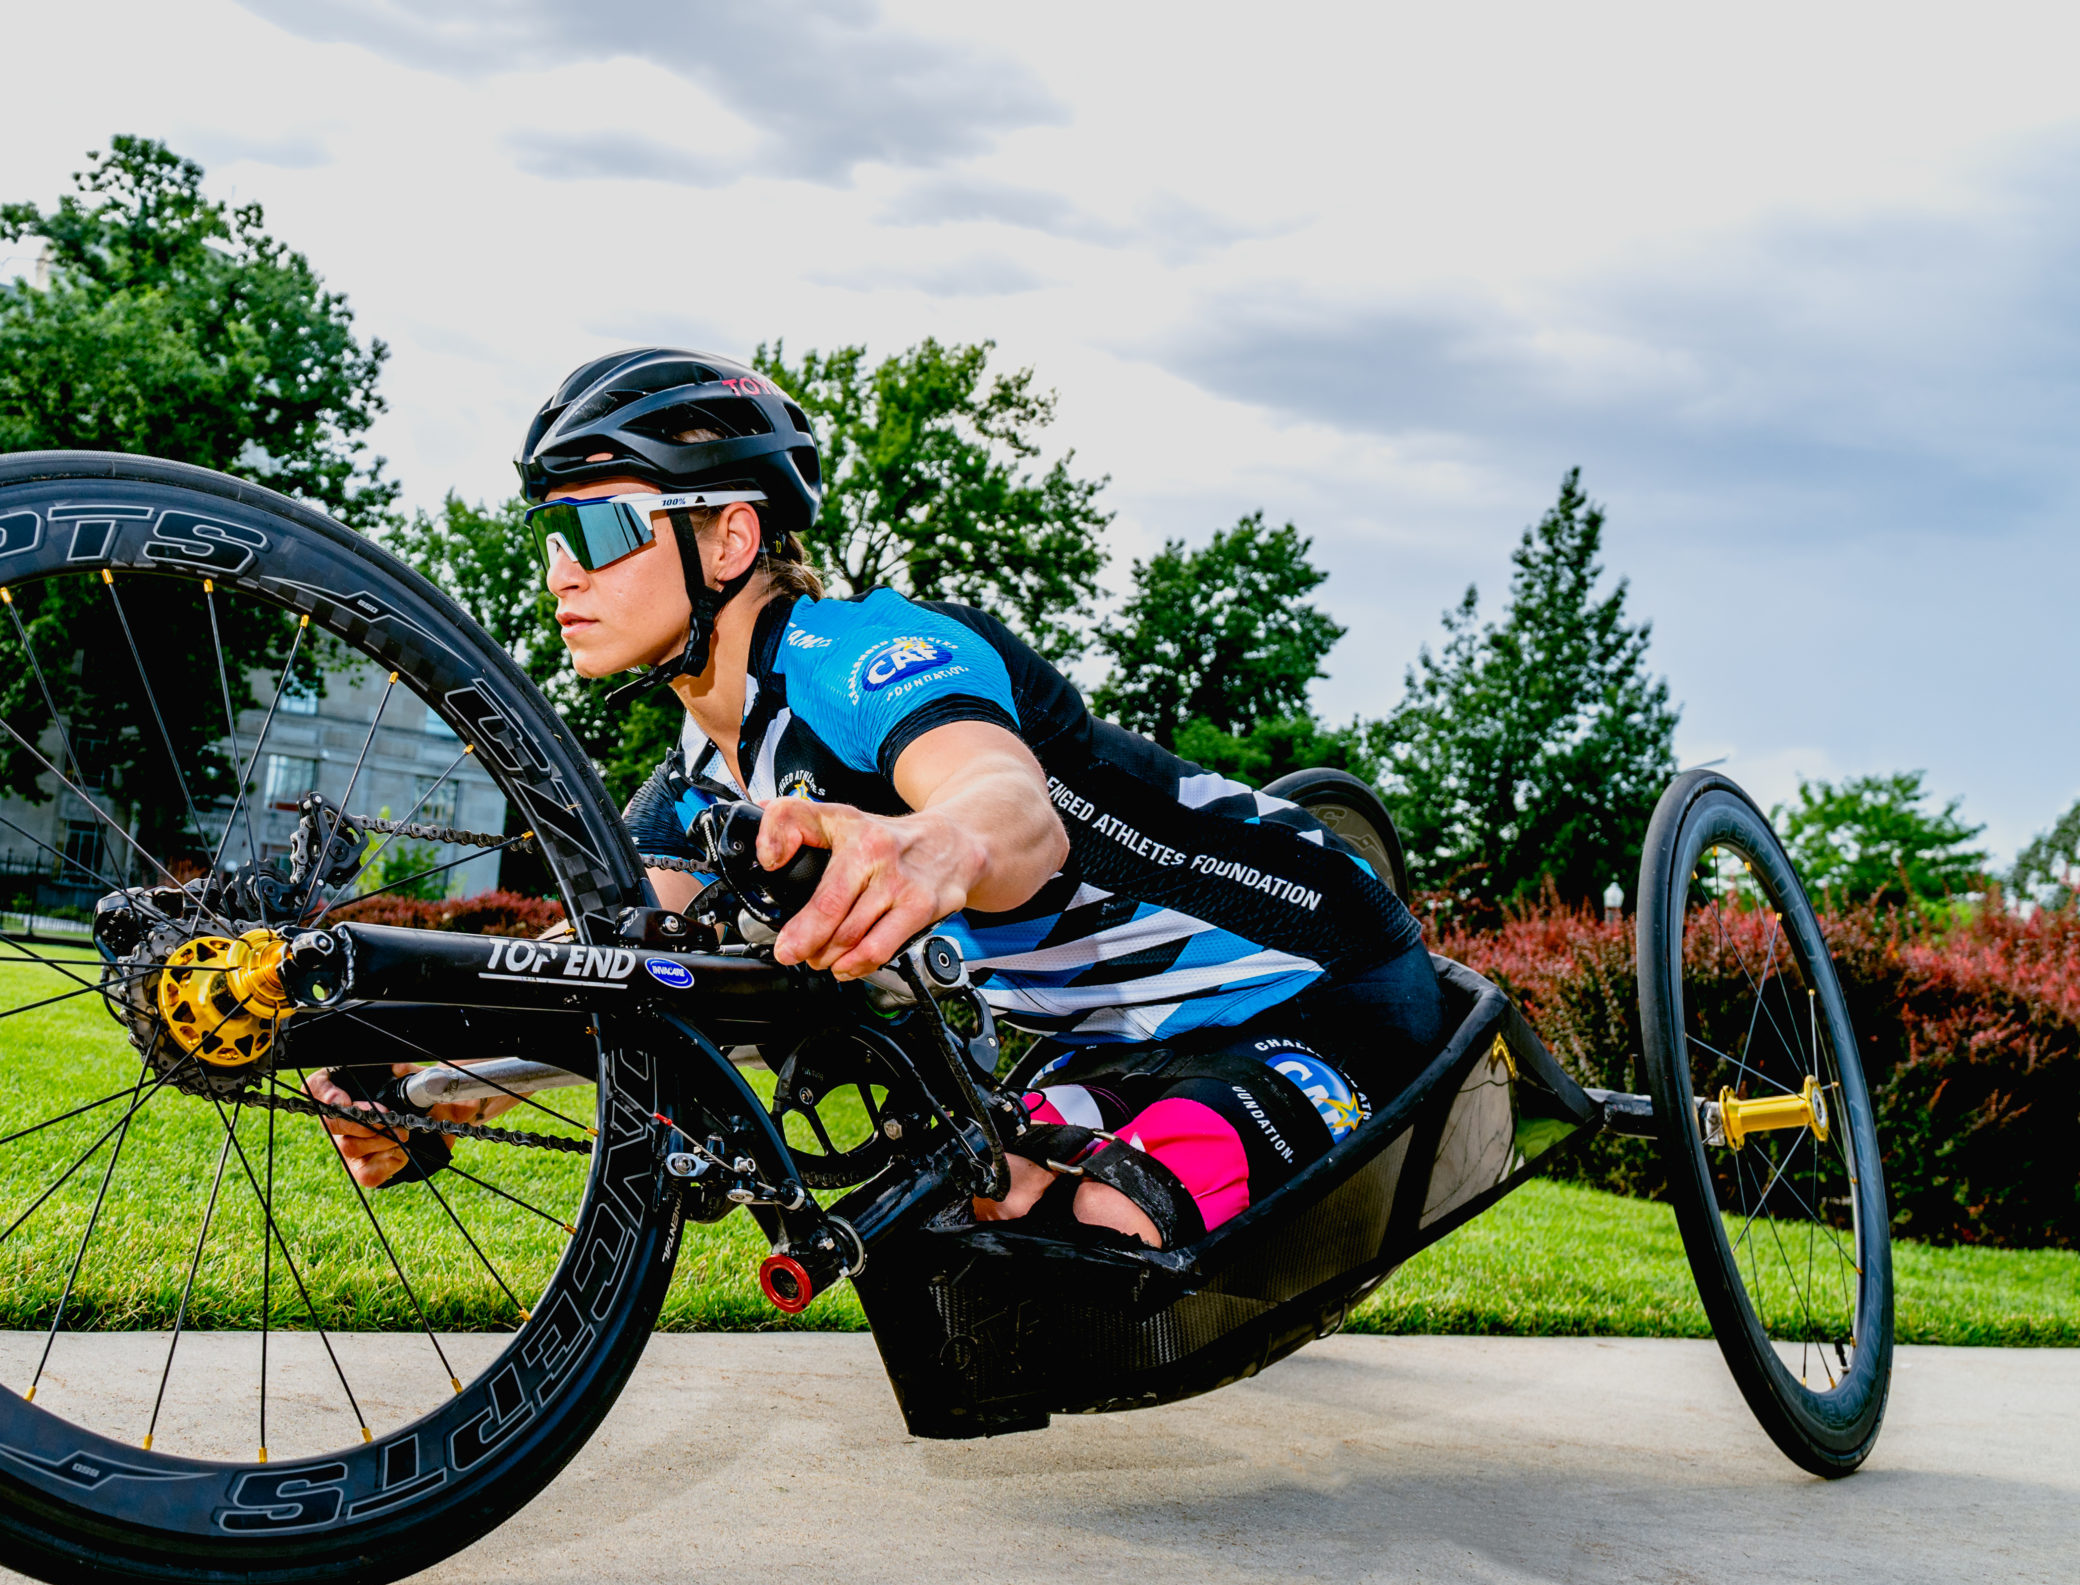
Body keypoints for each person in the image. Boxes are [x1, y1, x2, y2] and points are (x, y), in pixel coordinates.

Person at [321, 347, 1447, 1249]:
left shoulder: (865, 653)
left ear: (730, 534)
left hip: (1321, 987)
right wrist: (412, 1069)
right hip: (1097, 1045)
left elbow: (1005, 804)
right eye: (549, 535)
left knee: (1112, 1218)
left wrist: (935, 845)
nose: (562, 568)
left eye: (599, 527)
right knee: (957, 1211)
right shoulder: (696, 775)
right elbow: (601, 979)